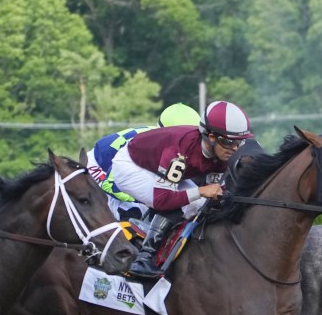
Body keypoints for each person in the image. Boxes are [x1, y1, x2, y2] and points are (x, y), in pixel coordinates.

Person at [112, 100, 253, 278]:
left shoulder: (221, 153)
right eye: (228, 142)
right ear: (211, 137)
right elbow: (162, 200)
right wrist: (201, 191)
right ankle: (144, 257)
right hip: (132, 166)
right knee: (184, 201)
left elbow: (212, 198)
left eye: (238, 144)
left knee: (199, 204)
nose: (234, 149)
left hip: (157, 164)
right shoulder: (179, 151)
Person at [87, 102, 202, 222]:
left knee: (195, 202)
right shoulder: (146, 147)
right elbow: (110, 184)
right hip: (99, 167)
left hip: (127, 165)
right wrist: (144, 200)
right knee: (136, 211)